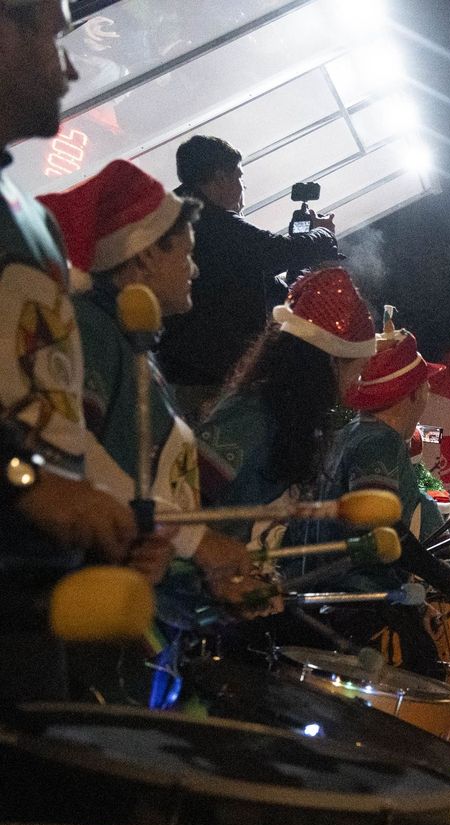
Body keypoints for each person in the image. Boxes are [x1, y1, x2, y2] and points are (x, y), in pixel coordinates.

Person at [1, 0, 175, 704]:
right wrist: (25, 483)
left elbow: (45, 427)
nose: (69, 66)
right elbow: (30, 471)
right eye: (52, 36)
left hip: (29, 620)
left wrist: (105, 534)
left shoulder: (31, 220)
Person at [40, 159, 277, 630]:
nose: (194, 269)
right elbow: (65, 454)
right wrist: (198, 543)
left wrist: (163, 550)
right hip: (72, 604)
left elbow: (134, 487)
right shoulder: (88, 328)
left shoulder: (131, 344)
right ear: (145, 256)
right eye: (185, 254)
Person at [304, 314, 450, 673]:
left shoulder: (350, 436)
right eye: (425, 384)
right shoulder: (380, 443)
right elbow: (383, 530)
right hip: (361, 610)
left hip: (338, 605)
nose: (429, 392)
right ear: (411, 393)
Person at [156, 135, 338, 416]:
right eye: (239, 177)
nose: (243, 187)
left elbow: (271, 282)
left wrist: (297, 270)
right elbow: (274, 251)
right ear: (219, 178)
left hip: (178, 370)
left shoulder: (171, 212)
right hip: (204, 378)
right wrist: (324, 234)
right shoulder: (207, 220)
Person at [197, 268, 377, 545]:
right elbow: (185, 503)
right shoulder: (250, 415)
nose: (358, 380)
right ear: (331, 363)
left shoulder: (293, 419)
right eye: (358, 368)